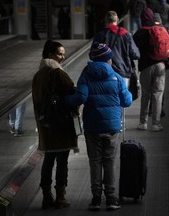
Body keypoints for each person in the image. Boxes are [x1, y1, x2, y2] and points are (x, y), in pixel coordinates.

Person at [64, 42, 132, 210]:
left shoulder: (86, 74)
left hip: (92, 126)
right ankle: (110, 198)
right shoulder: (116, 77)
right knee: (109, 161)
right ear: (108, 59)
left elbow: (80, 97)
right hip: (112, 127)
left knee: (95, 161)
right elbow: (127, 101)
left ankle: (95, 198)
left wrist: (64, 101)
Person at [32, 40, 78, 209]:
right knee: (62, 161)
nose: (62, 57)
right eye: (59, 53)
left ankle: (46, 196)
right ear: (50, 54)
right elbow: (73, 92)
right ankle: (60, 196)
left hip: (45, 125)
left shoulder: (38, 75)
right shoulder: (57, 73)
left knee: (48, 160)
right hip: (60, 124)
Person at [133, 7, 169, 132]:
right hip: (160, 65)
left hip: (146, 67)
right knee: (157, 95)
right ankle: (156, 124)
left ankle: (143, 123)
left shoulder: (139, 33)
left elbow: (133, 50)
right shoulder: (160, 30)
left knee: (146, 95)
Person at [93, 10, 140, 88]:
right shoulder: (126, 35)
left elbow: (92, 55)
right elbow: (136, 55)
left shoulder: (100, 35)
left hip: (105, 72)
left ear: (106, 21)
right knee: (122, 97)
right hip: (123, 72)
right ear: (117, 20)